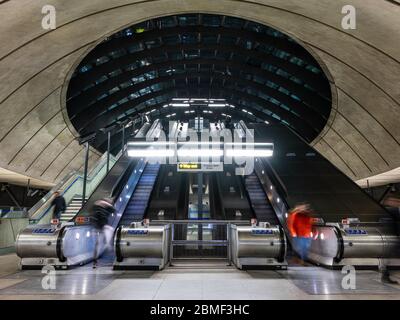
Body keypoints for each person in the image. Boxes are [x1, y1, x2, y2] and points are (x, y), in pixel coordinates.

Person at [90, 198, 116, 269]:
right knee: (105, 242)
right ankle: (108, 248)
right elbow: (113, 210)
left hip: (98, 228)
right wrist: (107, 204)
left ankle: (95, 262)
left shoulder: (96, 208)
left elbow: (113, 210)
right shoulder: (101, 209)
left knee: (98, 245)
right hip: (101, 227)